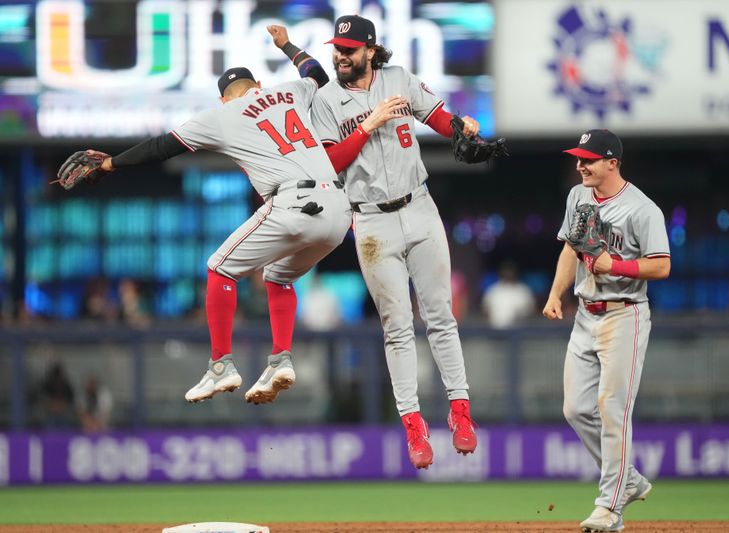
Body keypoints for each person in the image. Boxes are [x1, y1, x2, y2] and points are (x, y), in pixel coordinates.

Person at [64, 25, 404, 406]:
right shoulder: (289, 91)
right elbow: (318, 75)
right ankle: (280, 359)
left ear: (224, 99)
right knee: (277, 275)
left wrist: (110, 163)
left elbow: (162, 147)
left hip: (293, 202)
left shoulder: (222, 116)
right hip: (340, 211)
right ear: (258, 83)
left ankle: (221, 365)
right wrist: (288, 45)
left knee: (219, 267)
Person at [308, 15, 479, 469]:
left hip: (419, 207)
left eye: (349, 48)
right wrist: (368, 124)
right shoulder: (325, 100)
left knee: (441, 315)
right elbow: (328, 160)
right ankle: (413, 425)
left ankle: (460, 413)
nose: (341, 55)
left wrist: (463, 128)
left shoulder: (398, 79)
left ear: (369, 49)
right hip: (371, 222)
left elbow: (439, 116)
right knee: (397, 325)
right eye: (337, 48)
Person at [543, 129, 670, 532]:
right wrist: (555, 294)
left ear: (612, 162)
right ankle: (628, 480)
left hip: (624, 314)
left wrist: (616, 266)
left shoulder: (641, 209)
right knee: (576, 409)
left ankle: (610, 509)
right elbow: (570, 247)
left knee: (612, 410)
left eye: (589, 159)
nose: (580, 165)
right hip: (585, 314)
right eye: (579, 158)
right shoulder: (578, 196)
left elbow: (661, 265)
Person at [482, 261, 536, 328]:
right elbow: (485, 310)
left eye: (511, 271)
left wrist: (520, 315)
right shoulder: (493, 290)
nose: (508, 273)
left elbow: (531, 311)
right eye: (506, 271)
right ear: (501, 272)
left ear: (515, 272)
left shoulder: (523, 291)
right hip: (496, 330)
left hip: (519, 331)